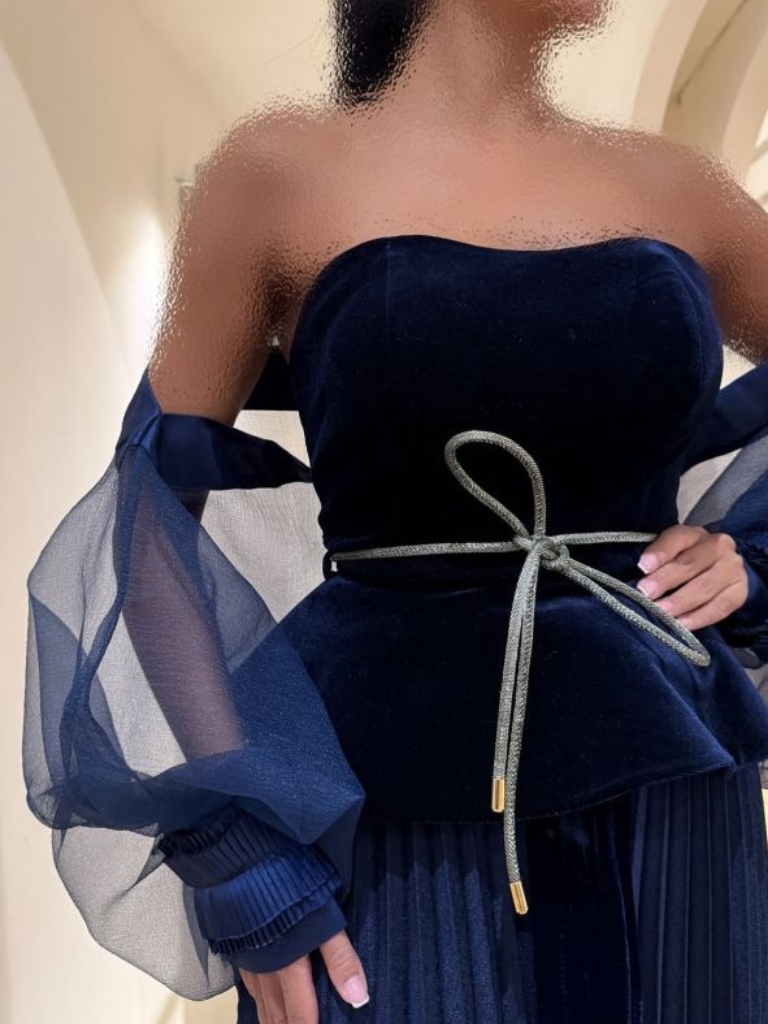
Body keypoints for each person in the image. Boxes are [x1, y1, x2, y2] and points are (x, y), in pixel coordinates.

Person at [22, 1, 768, 1021]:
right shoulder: (278, 172)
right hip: (388, 809)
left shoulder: (682, 187)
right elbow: (148, 516)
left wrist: (752, 559)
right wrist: (238, 850)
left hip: (673, 795)